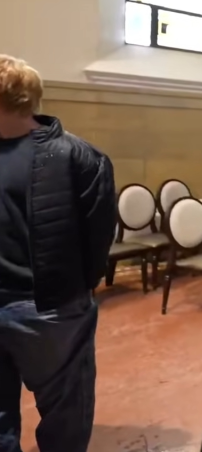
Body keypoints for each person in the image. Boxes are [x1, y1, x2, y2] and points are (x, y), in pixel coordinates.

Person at [0, 55, 116, 452]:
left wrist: (73, 296)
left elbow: (98, 236)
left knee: (64, 415)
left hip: (47, 311)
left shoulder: (78, 158)